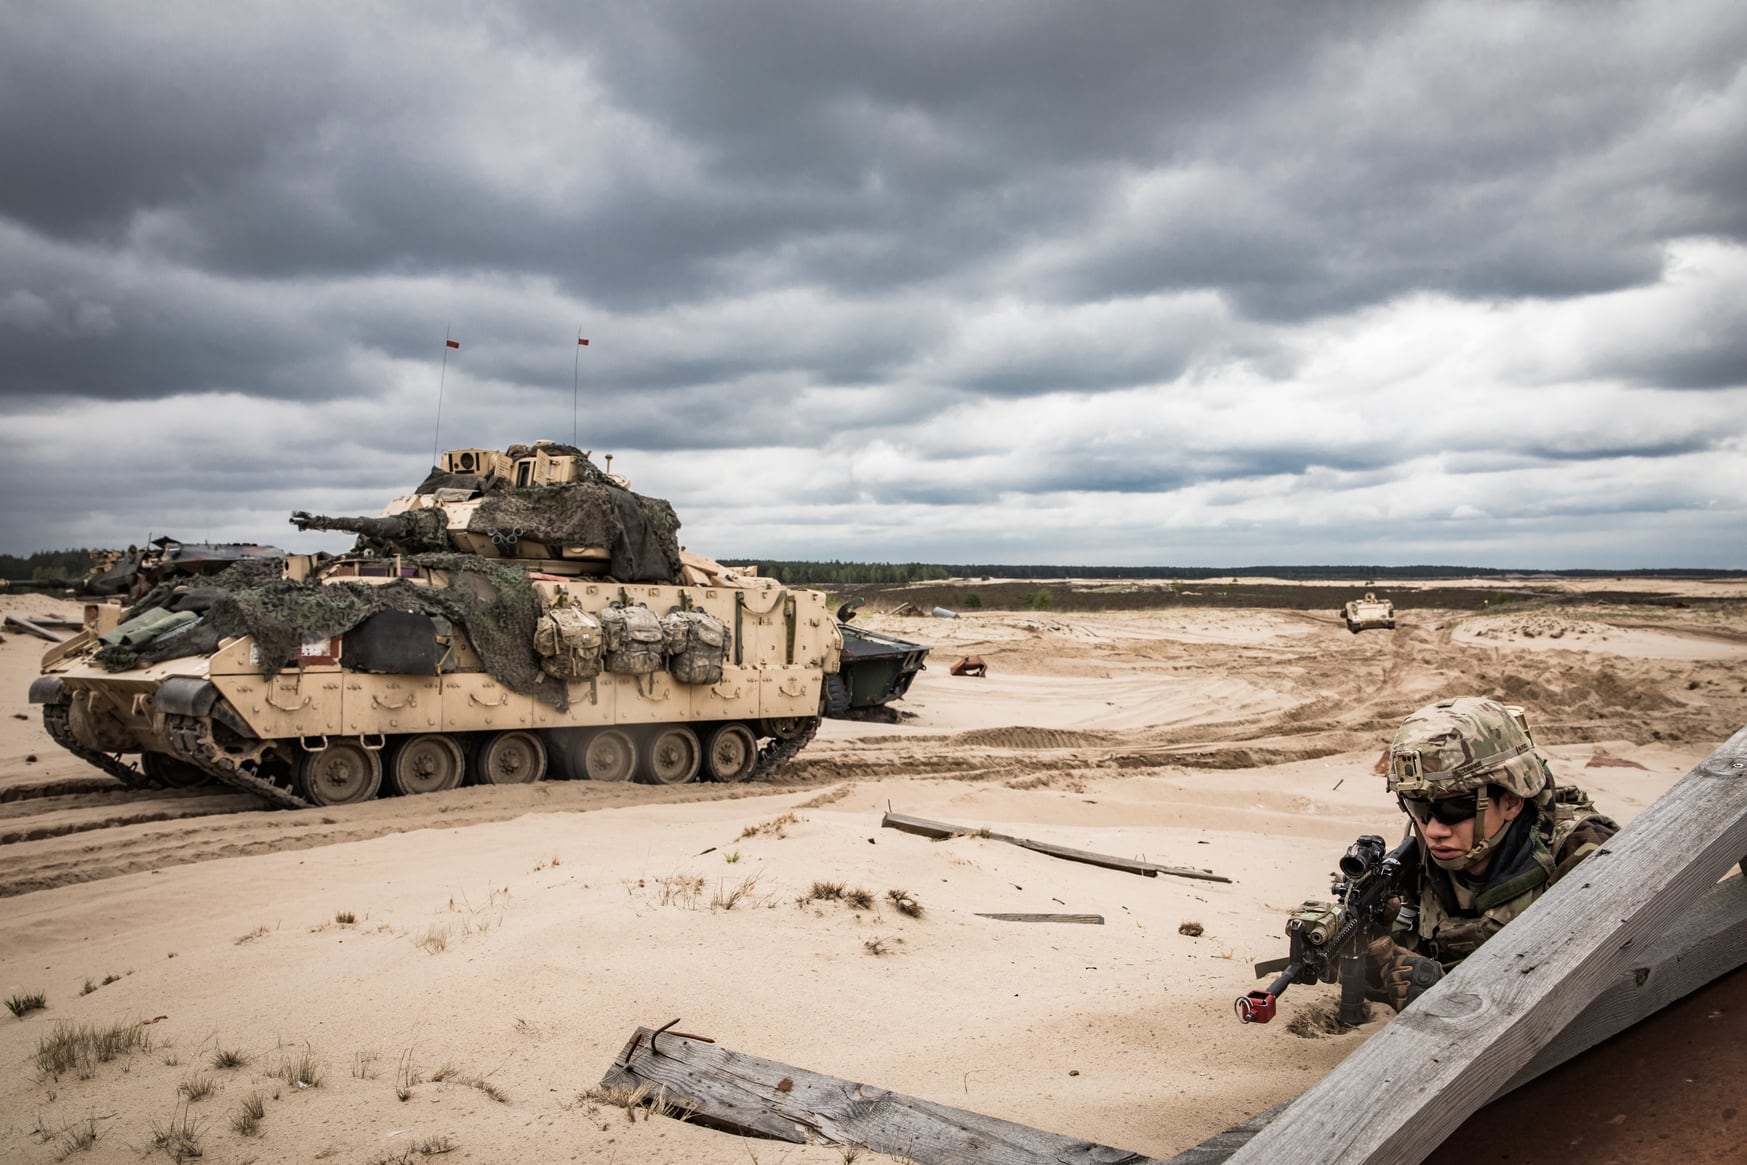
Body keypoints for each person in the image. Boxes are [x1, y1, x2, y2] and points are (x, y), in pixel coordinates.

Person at [1364, 696, 1619, 1013]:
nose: (1434, 830)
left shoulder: (1582, 855)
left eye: (1454, 807)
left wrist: (1451, 995)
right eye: (1417, 807)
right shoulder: (1415, 862)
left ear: (1512, 801)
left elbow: (1594, 990)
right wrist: (1377, 945)